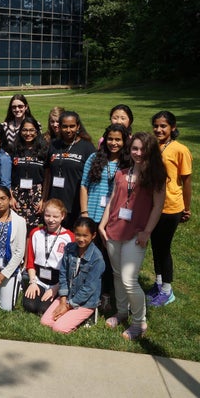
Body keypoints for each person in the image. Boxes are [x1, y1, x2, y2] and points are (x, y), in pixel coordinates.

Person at [99, 132, 166, 340]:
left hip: (136, 235)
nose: (138, 153)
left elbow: (158, 207)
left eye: (142, 149)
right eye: (134, 148)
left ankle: (139, 322)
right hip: (113, 230)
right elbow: (112, 201)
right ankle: (121, 312)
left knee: (129, 279)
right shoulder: (121, 173)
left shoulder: (155, 177)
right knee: (118, 275)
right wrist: (102, 225)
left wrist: (147, 231)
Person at [80, 124, 131, 301]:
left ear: (125, 141)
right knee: (91, 255)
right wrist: (84, 213)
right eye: (110, 138)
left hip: (115, 218)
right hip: (92, 214)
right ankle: (88, 288)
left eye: (118, 139)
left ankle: (107, 292)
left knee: (110, 258)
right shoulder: (94, 158)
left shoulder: (128, 163)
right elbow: (84, 186)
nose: (113, 143)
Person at [149, 111, 192, 307]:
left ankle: (167, 290)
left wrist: (187, 207)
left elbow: (186, 181)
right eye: (156, 126)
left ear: (172, 128)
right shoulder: (153, 147)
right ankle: (158, 283)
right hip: (152, 206)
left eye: (163, 126)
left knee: (164, 248)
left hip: (171, 206)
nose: (159, 129)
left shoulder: (180, 149)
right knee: (155, 246)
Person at [40, 217, 105, 334]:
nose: (81, 239)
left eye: (85, 235)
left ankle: (89, 315)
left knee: (59, 328)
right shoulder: (69, 248)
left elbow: (89, 288)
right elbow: (63, 275)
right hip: (67, 296)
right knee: (46, 322)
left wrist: (68, 306)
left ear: (93, 235)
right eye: (78, 235)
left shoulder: (97, 258)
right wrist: (63, 300)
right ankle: (70, 316)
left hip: (85, 301)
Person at [43, 111, 95, 228]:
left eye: (72, 126)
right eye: (65, 126)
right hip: (55, 204)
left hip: (75, 204)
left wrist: (85, 209)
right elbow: (47, 173)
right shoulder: (54, 145)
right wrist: (44, 198)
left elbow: (92, 177)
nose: (68, 130)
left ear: (78, 127)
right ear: (60, 127)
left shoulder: (87, 147)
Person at [23, 199, 74, 315]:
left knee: (43, 309)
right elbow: (30, 262)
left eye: (55, 216)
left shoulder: (70, 237)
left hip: (58, 281)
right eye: (47, 215)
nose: (51, 220)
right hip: (39, 279)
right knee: (30, 306)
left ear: (63, 216)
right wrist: (32, 282)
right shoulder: (35, 233)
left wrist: (56, 288)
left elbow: (70, 269)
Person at [10, 117, 48, 230]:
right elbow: (9, 175)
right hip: (17, 194)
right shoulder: (14, 149)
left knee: (33, 229)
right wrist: (11, 197)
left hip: (36, 194)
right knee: (17, 227)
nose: (28, 133)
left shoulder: (44, 150)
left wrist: (43, 199)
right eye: (25, 130)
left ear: (37, 132)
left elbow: (47, 177)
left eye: (31, 130)